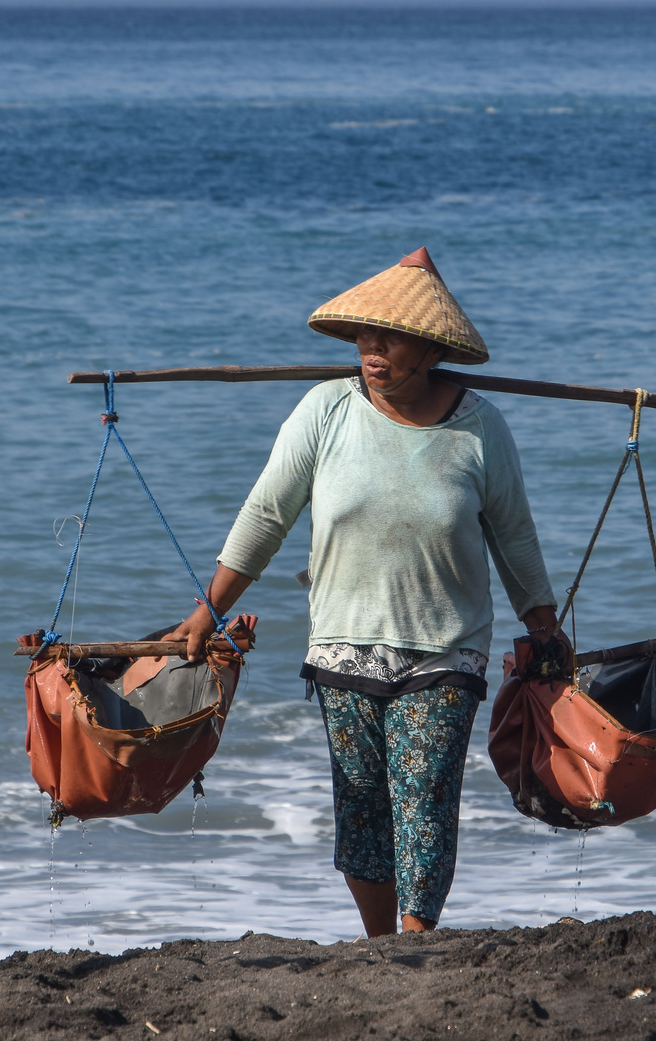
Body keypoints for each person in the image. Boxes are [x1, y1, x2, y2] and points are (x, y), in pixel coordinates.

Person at [170, 247, 562, 936]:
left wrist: (544, 627)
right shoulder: (325, 411)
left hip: (446, 649)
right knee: (362, 809)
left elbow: (515, 539)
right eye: (365, 336)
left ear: (431, 348)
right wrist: (209, 610)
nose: (373, 351)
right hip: (343, 645)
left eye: (392, 338)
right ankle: (382, 946)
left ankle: (416, 938)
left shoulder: (479, 430)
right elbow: (267, 515)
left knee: (426, 799)